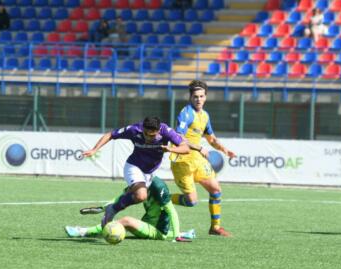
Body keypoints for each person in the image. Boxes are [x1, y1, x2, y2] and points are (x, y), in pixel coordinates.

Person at [83, 116, 189, 226]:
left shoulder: (166, 131)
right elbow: (110, 135)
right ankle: (112, 209)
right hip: (133, 166)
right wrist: (94, 149)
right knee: (141, 196)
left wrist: (171, 149)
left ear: (158, 131)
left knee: (130, 195)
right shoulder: (134, 129)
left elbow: (185, 148)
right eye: (146, 134)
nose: (148, 138)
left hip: (149, 173)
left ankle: (110, 209)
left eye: (152, 135)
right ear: (142, 129)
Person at [169, 80, 237, 237]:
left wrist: (225, 150)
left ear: (205, 97)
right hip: (182, 161)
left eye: (201, 96)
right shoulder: (186, 113)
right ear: (190, 97)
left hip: (198, 160)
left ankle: (215, 227)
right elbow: (178, 137)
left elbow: (211, 139)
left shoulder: (205, 115)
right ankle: (159, 198)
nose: (198, 99)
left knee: (216, 190)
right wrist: (200, 148)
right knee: (191, 201)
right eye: (195, 97)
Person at [65, 176, 195, 241]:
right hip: (148, 224)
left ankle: (83, 232)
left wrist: (176, 236)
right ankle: (184, 233)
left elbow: (171, 211)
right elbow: (120, 198)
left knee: (126, 221)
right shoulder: (137, 181)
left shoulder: (158, 186)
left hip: (159, 230)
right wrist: (103, 208)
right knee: (122, 221)